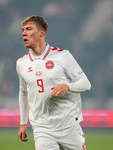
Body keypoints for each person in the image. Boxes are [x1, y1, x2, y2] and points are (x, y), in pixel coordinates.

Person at [16, 15, 91, 150]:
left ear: (41, 33)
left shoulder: (63, 56)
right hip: (42, 129)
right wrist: (23, 123)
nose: (24, 33)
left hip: (68, 125)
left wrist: (68, 86)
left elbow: (86, 84)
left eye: (28, 29)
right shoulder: (21, 63)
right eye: (23, 30)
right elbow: (23, 92)